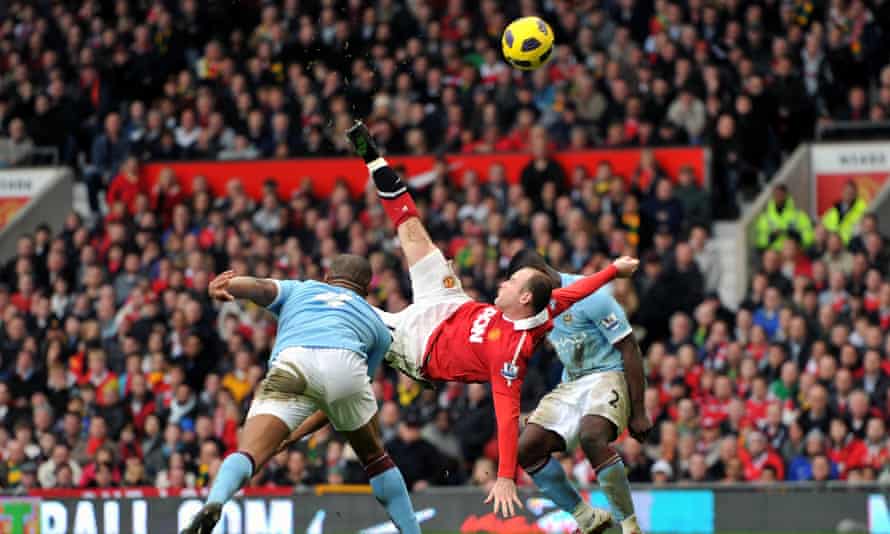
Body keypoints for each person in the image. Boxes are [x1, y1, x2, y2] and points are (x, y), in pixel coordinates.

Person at [281, 121, 638, 529]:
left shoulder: (509, 354)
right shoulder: (540, 308)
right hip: (450, 303)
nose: (503, 280)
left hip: (420, 346)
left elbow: (506, 415)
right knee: (413, 232)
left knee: (341, 317)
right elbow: (576, 291)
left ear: (523, 298)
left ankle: (293, 408)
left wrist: (505, 477)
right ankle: (372, 156)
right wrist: (614, 269)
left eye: (513, 280)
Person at [180, 254, 420, 534]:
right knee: (376, 459)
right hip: (346, 364)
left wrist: (226, 285)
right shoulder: (378, 325)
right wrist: (294, 434)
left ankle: (215, 501)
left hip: (293, 362)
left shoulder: (303, 288)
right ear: (365, 291)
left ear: (327, 277)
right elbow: (337, 401)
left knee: (249, 452)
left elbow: (260, 287)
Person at [507, 250, 650, 534]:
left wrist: (639, 411)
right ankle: (586, 516)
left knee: (591, 435)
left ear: (540, 273)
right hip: (572, 382)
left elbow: (629, 347)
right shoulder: (536, 306)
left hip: (610, 374)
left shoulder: (590, 295)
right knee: (525, 450)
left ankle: (629, 523)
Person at [754, 185, 813, 252]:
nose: (779, 198)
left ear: (786, 196)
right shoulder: (765, 217)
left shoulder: (799, 215)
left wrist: (794, 235)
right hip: (774, 252)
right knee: (770, 256)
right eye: (776, 195)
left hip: (794, 251)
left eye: (781, 195)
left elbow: (809, 239)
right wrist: (772, 236)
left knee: (789, 246)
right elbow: (760, 242)